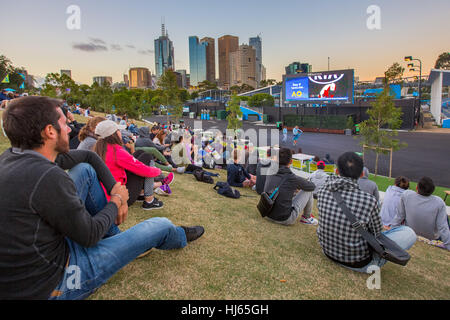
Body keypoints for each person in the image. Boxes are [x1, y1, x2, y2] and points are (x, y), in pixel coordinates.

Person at [0, 96, 204, 300]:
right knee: (160, 224)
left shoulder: (12, 158)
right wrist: (116, 200)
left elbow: (89, 158)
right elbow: (89, 236)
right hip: (59, 281)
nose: (70, 129)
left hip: (42, 259)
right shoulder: (48, 176)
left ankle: (116, 237)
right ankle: (177, 235)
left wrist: (114, 187)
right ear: (50, 131)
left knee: (85, 170)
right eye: (64, 123)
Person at [316, 152, 416, 273]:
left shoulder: (322, 191)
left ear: (337, 171)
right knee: (409, 232)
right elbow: (377, 234)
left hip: (328, 252)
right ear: (362, 174)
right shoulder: (368, 201)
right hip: (359, 263)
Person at [93, 120, 173, 210]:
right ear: (112, 134)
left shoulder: (100, 148)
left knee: (139, 153)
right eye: (118, 130)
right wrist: (158, 171)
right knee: (147, 156)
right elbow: (143, 170)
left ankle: (142, 193)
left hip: (109, 193)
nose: (121, 132)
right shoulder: (116, 151)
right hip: (120, 198)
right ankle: (149, 200)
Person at [390, 177, 449, 250]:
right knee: (445, 218)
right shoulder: (439, 202)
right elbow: (443, 227)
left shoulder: (407, 195)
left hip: (409, 232)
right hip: (430, 237)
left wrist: (391, 231)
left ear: (416, 187)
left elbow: (399, 216)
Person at [263, 148, 317, 225]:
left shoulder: (270, 170)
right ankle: (306, 217)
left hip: (267, 212)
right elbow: (311, 187)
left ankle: (307, 217)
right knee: (308, 191)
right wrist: (300, 184)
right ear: (291, 161)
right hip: (283, 219)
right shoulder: (291, 177)